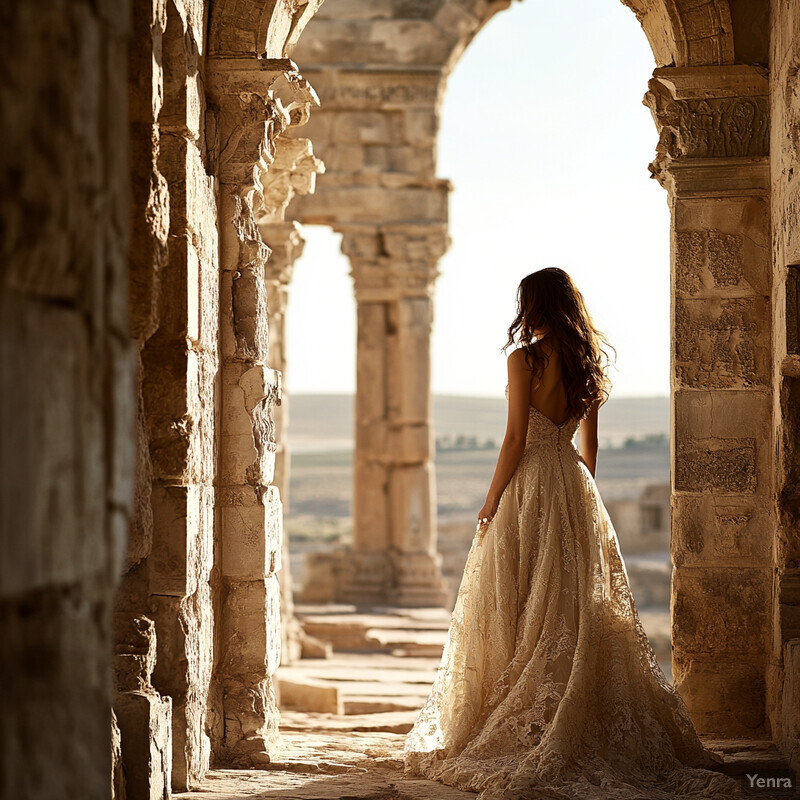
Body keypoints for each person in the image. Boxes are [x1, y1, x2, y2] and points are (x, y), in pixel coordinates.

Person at [403, 269, 742, 799]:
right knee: (570, 603)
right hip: (574, 483)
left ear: (534, 306)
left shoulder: (525, 360)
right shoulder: (588, 364)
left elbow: (515, 438)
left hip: (532, 485)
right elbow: (592, 449)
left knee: (521, 599)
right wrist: (579, 496)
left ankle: (527, 715)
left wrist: (492, 500)